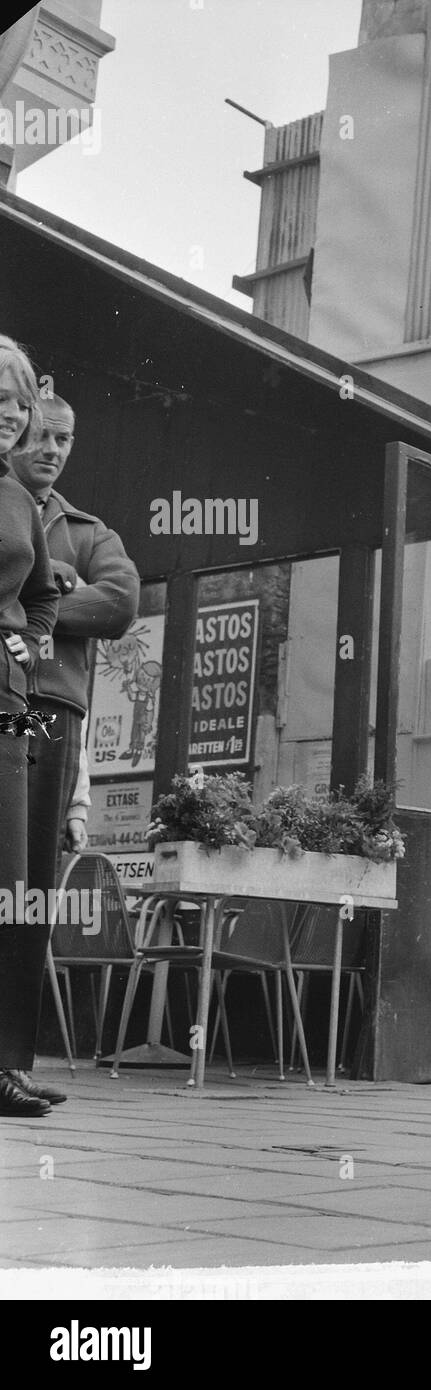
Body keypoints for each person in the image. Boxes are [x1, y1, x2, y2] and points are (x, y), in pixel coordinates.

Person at [10, 392, 139, 891]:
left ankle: (21, 972)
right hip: (7, 696)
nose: (52, 449)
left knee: (33, 866)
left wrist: (24, 611)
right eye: (40, 435)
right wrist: (61, 582)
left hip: (48, 709)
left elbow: (121, 604)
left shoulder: (90, 532)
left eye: (62, 439)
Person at [0, 335, 62, 1118]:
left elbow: (42, 595)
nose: (9, 416)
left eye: (17, 404)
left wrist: (28, 638)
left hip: (8, 707)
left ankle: (3, 1066)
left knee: (8, 887)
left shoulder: (17, 497)